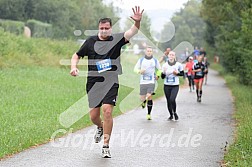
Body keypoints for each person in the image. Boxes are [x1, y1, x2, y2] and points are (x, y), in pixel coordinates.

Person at [70, 6, 144, 158]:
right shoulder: (90, 41)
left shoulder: (116, 39)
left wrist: (137, 23)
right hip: (93, 83)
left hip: (111, 82)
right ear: (98, 28)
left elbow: (132, 32)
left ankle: (105, 146)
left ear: (111, 29)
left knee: (107, 111)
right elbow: (76, 55)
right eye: (101, 28)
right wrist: (73, 67)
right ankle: (100, 127)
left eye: (107, 28)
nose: (104, 30)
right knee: (93, 116)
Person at [134, 46, 161, 120]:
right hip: (143, 82)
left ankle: (149, 114)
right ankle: (143, 101)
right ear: (145, 52)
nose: (149, 52)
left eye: (150, 51)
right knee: (142, 98)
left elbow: (159, 69)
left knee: (149, 96)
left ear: (152, 52)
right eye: (148, 51)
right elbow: (135, 69)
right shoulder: (141, 60)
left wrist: (158, 75)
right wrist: (140, 71)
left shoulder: (155, 60)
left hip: (151, 82)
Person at [161, 51, 184, 121]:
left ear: (174, 56)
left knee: (172, 99)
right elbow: (162, 77)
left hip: (175, 85)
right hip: (167, 85)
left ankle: (175, 112)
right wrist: (164, 72)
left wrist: (177, 73)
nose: (171, 56)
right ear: (168, 56)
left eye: (173, 55)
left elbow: (182, 74)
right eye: (170, 55)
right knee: (168, 100)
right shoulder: (164, 65)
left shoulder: (178, 65)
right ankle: (171, 114)